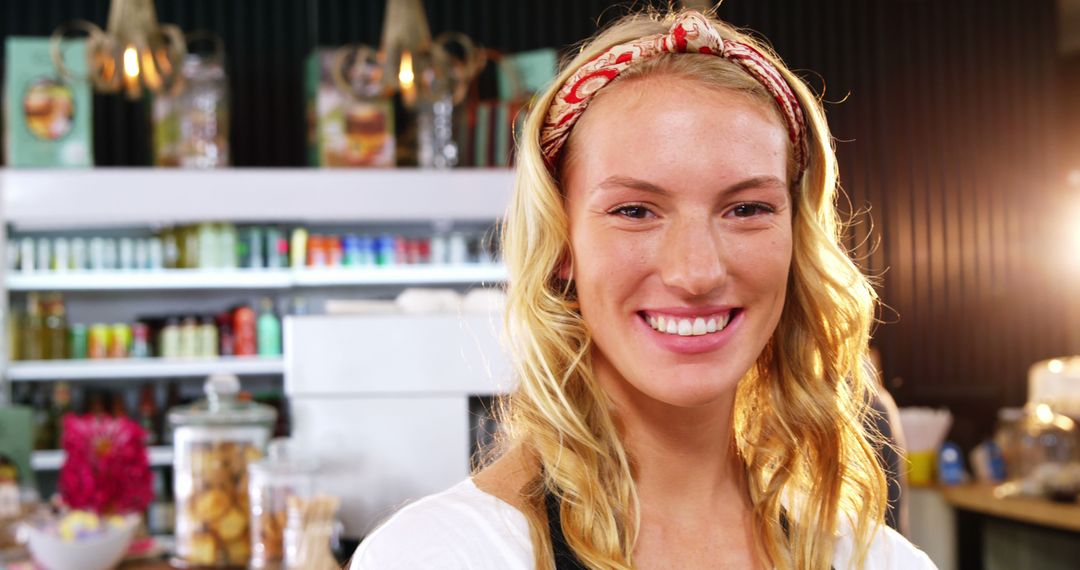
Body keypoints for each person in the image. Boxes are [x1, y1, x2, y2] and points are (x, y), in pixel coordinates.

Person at [350, 8, 936, 569]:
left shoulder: (874, 558)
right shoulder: (438, 556)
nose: (696, 272)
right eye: (634, 210)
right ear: (561, 248)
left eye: (747, 208)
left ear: (795, 242)